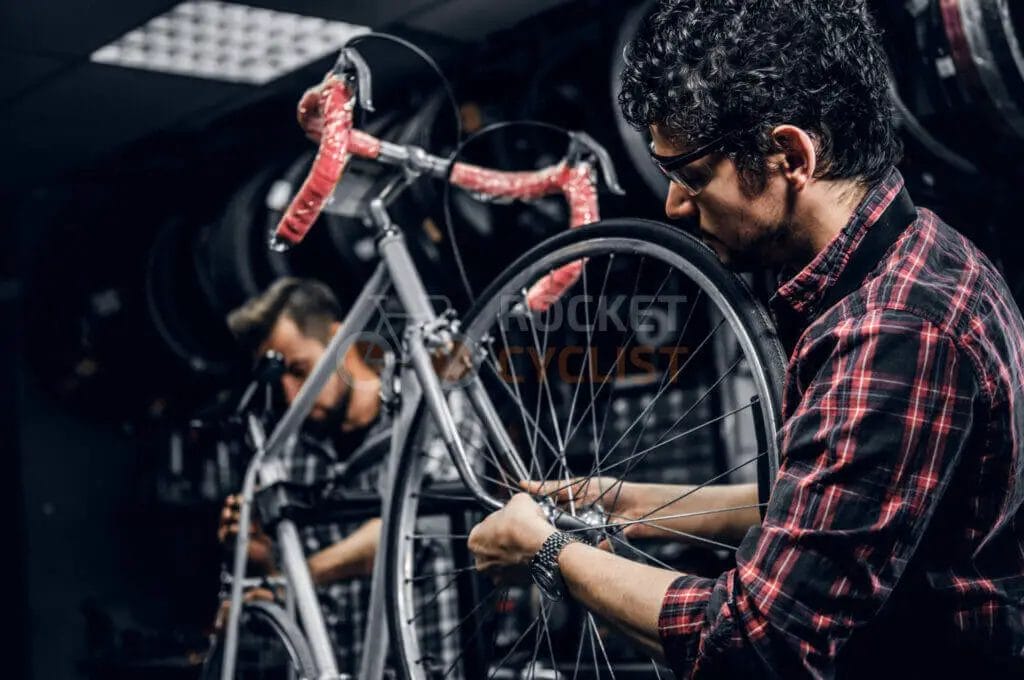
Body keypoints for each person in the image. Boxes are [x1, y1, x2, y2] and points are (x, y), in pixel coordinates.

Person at [467, 1, 1024, 677]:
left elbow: (758, 642)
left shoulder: (892, 329)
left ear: (791, 154)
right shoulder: (928, 256)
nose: (672, 205)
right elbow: (851, 509)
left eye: (692, 176)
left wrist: (547, 551)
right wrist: (636, 505)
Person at [217, 277, 467, 673]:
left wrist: (289, 578)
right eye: (278, 378)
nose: (290, 394)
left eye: (299, 370)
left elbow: (416, 527)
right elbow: (296, 591)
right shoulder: (288, 453)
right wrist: (264, 556)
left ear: (340, 339)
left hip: (434, 665)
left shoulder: (431, 404)